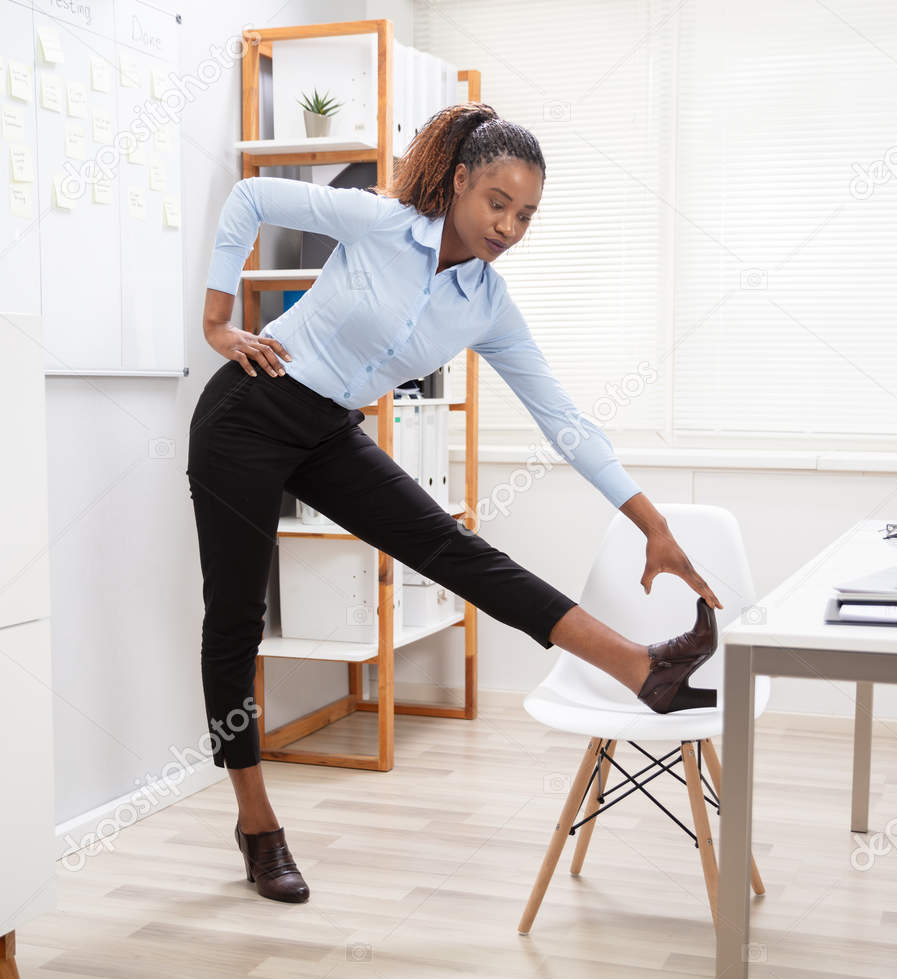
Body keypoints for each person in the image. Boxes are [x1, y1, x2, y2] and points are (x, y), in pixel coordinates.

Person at [190, 102, 722, 903]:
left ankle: (645, 669)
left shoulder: (486, 304)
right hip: (247, 414)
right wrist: (219, 320)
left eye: (526, 215)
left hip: (328, 430)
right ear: (462, 181)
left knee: (458, 551)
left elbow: (563, 420)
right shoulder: (378, 222)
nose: (508, 225)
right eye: (498, 203)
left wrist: (650, 520)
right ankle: (258, 824)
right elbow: (252, 199)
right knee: (234, 620)